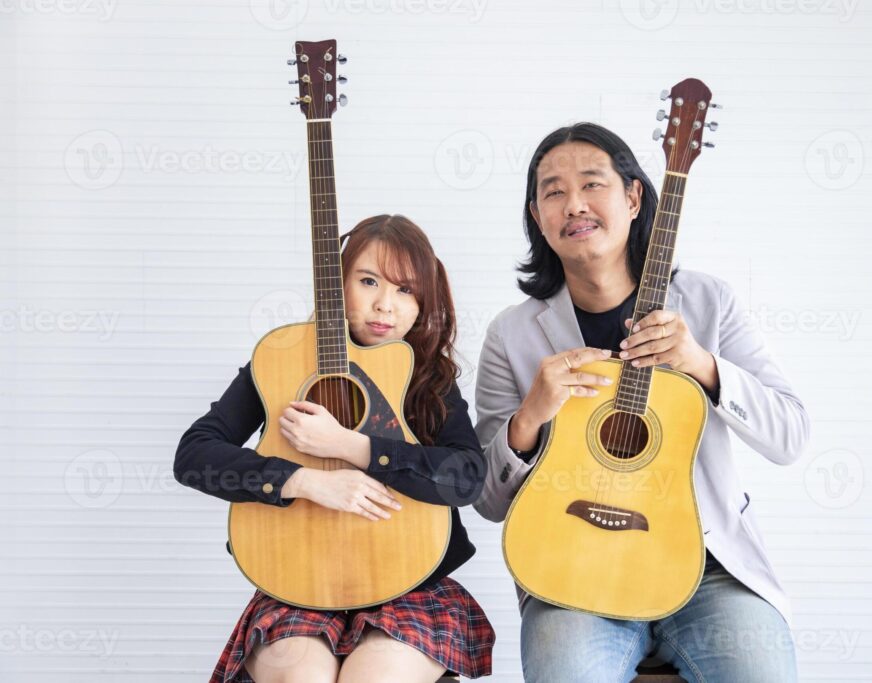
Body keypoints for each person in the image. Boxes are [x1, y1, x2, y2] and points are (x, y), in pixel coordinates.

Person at [472, 123, 810, 682]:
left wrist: (703, 365)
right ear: (538, 217)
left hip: (708, 567)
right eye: (552, 192)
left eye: (591, 184)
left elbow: (790, 435)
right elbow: (487, 499)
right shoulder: (512, 335)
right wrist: (529, 416)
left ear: (633, 197)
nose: (573, 203)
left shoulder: (708, 302)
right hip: (571, 572)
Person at [174, 214, 495, 683]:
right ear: (334, 284)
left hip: (411, 584)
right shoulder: (280, 361)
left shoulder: (430, 377)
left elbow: (466, 476)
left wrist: (352, 446)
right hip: (296, 585)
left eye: (407, 290)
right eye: (368, 281)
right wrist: (306, 481)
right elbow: (194, 456)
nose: (386, 304)